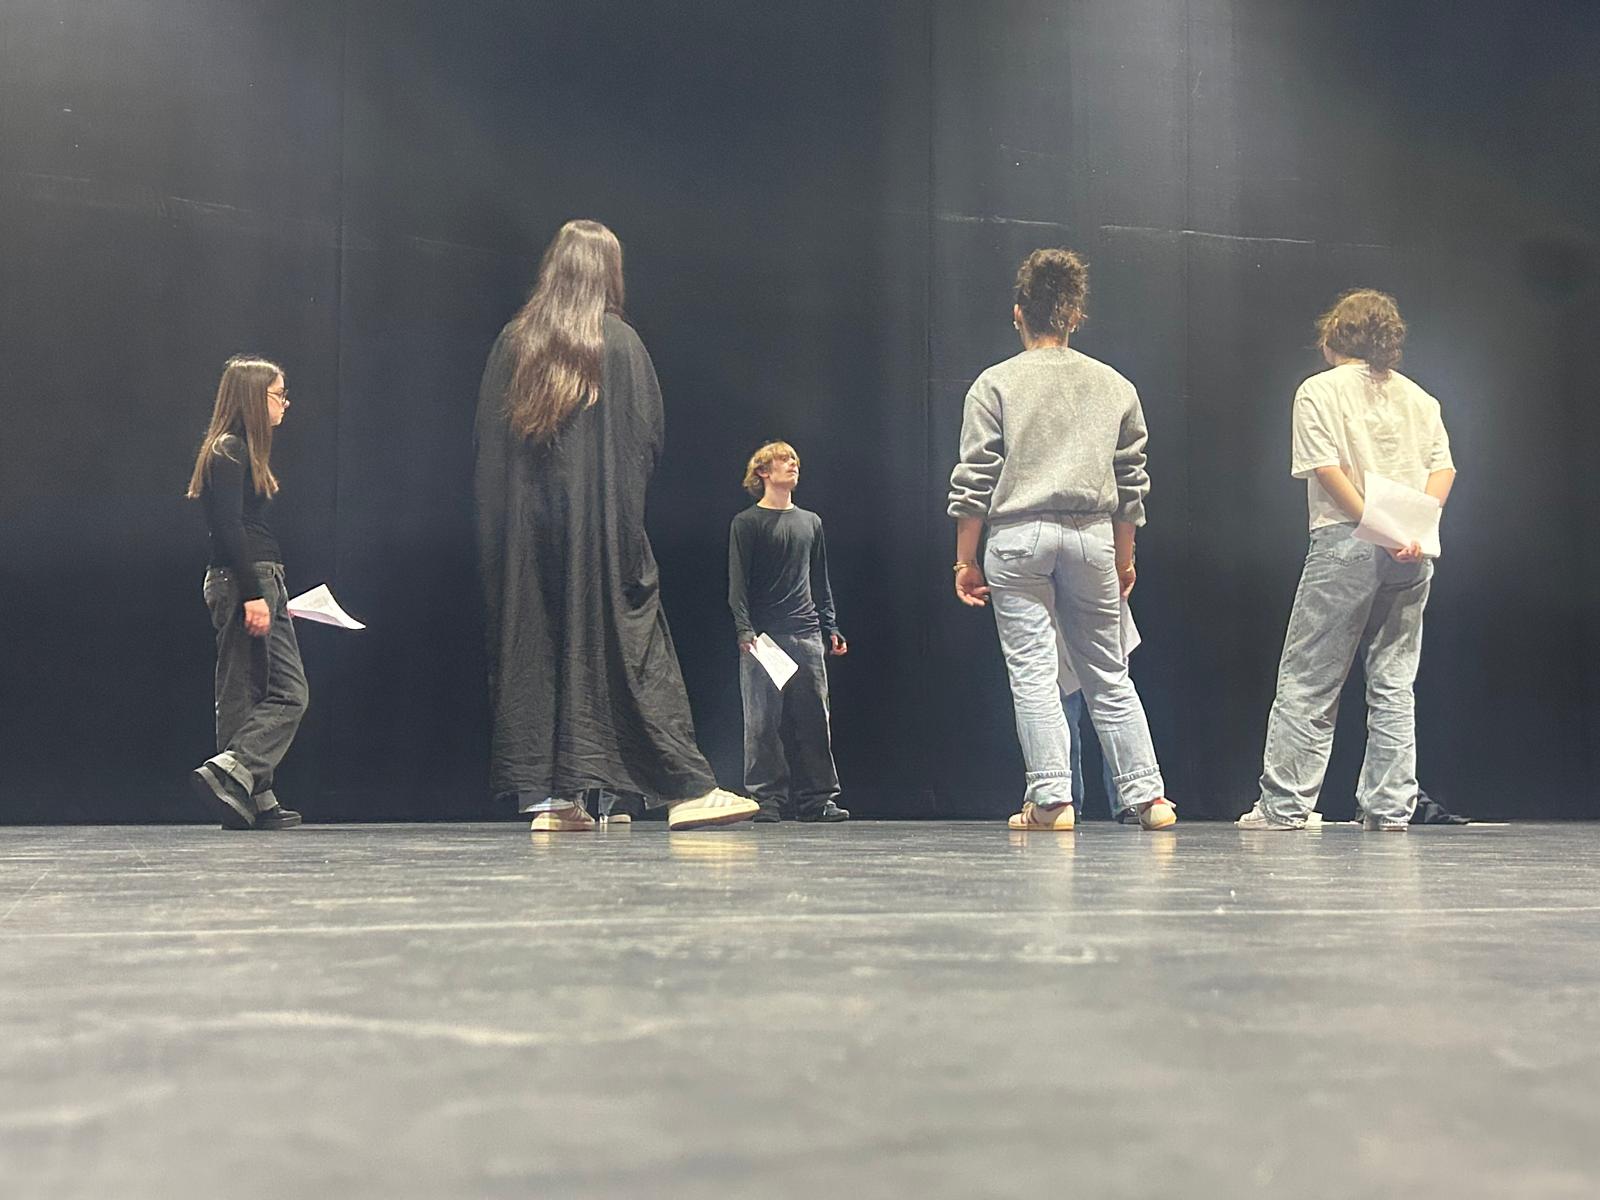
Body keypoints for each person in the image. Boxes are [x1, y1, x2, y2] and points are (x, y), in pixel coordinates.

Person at [473, 219, 757, 832]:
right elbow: (644, 441)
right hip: (601, 534)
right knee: (634, 646)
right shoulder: (620, 344)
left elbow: (488, 449)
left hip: (526, 541)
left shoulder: (514, 343)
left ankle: (553, 801)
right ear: (609, 271)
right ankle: (686, 789)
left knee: (539, 646)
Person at [948, 249, 1175, 832]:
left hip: (1018, 537)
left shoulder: (995, 383)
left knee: (1033, 673)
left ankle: (1051, 801)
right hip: (1093, 536)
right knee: (1108, 672)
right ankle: (1150, 798)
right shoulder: (1115, 385)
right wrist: (1125, 558)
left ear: (1018, 313)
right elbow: (1131, 484)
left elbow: (976, 477)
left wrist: (964, 560)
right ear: (1075, 315)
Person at [1239, 289, 1456, 831]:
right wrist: (1413, 527)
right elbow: (1444, 468)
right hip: (1412, 549)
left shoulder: (1318, 389)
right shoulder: (1421, 399)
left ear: (1334, 337)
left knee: (1309, 677)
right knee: (1393, 682)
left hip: (1347, 539)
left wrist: (1379, 526)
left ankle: (1284, 807)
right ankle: (1389, 807)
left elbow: (1326, 468)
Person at [184, 355, 307, 830]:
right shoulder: (229, 450)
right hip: (245, 580)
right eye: (279, 394)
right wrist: (254, 593)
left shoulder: (241, 450)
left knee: (264, 690)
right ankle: (232, 772)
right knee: (274, 692)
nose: (285, 403)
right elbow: (228, 528)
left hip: (258, 578)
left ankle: (252, 796)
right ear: (255, 398)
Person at [728, 441, 849, 823]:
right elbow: (738, 584)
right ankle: (767, 799)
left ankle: (818, 800)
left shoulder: (810, 522)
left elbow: (820, 579)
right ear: (763, 471)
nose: (793, 464)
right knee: (762, 723)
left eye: (794, 459)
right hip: (765, 638)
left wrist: (830, 625)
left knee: (814, 721)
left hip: (807, 634)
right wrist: (744, 629)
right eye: (783, 460)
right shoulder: (747, 523)